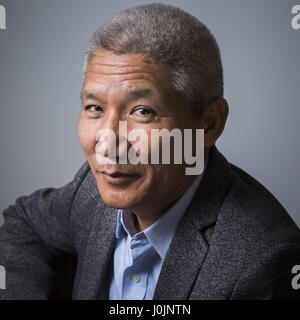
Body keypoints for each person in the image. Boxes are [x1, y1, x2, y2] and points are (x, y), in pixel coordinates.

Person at [0, 3, 299, 300]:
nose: (108, 145)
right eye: (95, 108)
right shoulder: (93, 188)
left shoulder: (264, 262)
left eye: (142, 111)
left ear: (209, 125)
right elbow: (25, 223)